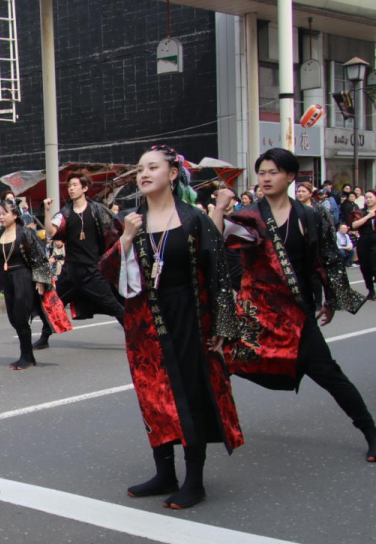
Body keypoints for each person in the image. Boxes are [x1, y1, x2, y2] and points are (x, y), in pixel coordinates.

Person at [100, 145, 243, 510]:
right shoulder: (130, 220)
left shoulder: (194, 218)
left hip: (190, 317)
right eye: (139, 169)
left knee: (192, 395)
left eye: (152, 167)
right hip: (146, 322)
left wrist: (224, 325)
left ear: (173, 174)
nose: (143, 174)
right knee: (154, 396)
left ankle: (194, 480)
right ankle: (165, 473)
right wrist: (126, 239)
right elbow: (106, 273)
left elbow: (218, 272)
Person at [213, 148, 374, 463]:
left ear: (290, 176)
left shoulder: (310, 215)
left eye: (273, 172)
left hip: (297, 313)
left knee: (330, 374)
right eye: (262, 173)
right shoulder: (249, 215)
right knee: (220, 360)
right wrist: (219, 207)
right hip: (256, 314)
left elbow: (326, 259)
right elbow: (214, 241)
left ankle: (371, 431)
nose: (266, 178)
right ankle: (211, 432)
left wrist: (330, 300)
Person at [39, 173, 125, 349]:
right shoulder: (65, 212)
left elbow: (116, 232)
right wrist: (46, 212)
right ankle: (44, 338)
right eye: (69, 185)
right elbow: (51, 232)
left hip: (93, 271)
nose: (71, 188)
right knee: (53, 304)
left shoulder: (98, 210)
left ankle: (135, 336)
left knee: (114, 305)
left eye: (75, 185)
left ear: (85, 188)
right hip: (70, 271)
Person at [0, 200, 63, 370]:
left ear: (15, 214)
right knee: (14, 318)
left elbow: (39, 257)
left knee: (21, 316)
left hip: (23, 276)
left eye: (4, 213)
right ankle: (27, 354)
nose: (1, 216)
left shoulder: (25, 232)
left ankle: (26, 355)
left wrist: (40, 281)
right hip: (7, 277)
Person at [352, 190, 376, 301]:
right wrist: (368, 216)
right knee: (365, 267)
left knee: (374, 265)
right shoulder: (360, 212)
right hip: (364, 240)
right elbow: (353, 225)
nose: (368, 199)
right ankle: (371, 290)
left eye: (371, 197)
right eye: (366, 197)